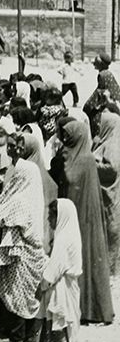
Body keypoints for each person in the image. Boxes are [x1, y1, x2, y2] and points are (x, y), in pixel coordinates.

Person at [53, 118, 115, 324]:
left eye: (66, 135)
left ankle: (87, 309)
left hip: (81, 217)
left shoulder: (81, 159)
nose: (63, 138)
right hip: (77, 217)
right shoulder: (80, 157)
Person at [0, 152, 46, 342]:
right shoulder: (33, 198)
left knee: (16, 292)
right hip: (24, 253)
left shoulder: (20, 200)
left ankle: (16, 337)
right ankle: (21, 334)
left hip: (19, 256)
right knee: (22, 294)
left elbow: (2, 217)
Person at [37, 199, 82, 342]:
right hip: (63, 292)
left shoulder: (63, 240)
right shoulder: (68, 234)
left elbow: (52, 272)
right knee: (57, 340)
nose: (49, 220)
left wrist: (41, 286)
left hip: (60, 294)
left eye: (51, 216)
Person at [93, 111, 120, 274]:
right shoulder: (107, 142)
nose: (98, 126)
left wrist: (91, 163)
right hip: (108, 196)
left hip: (111, 196)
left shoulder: (112, 145)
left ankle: (111, 272)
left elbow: (112, 169)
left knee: (111, 231)